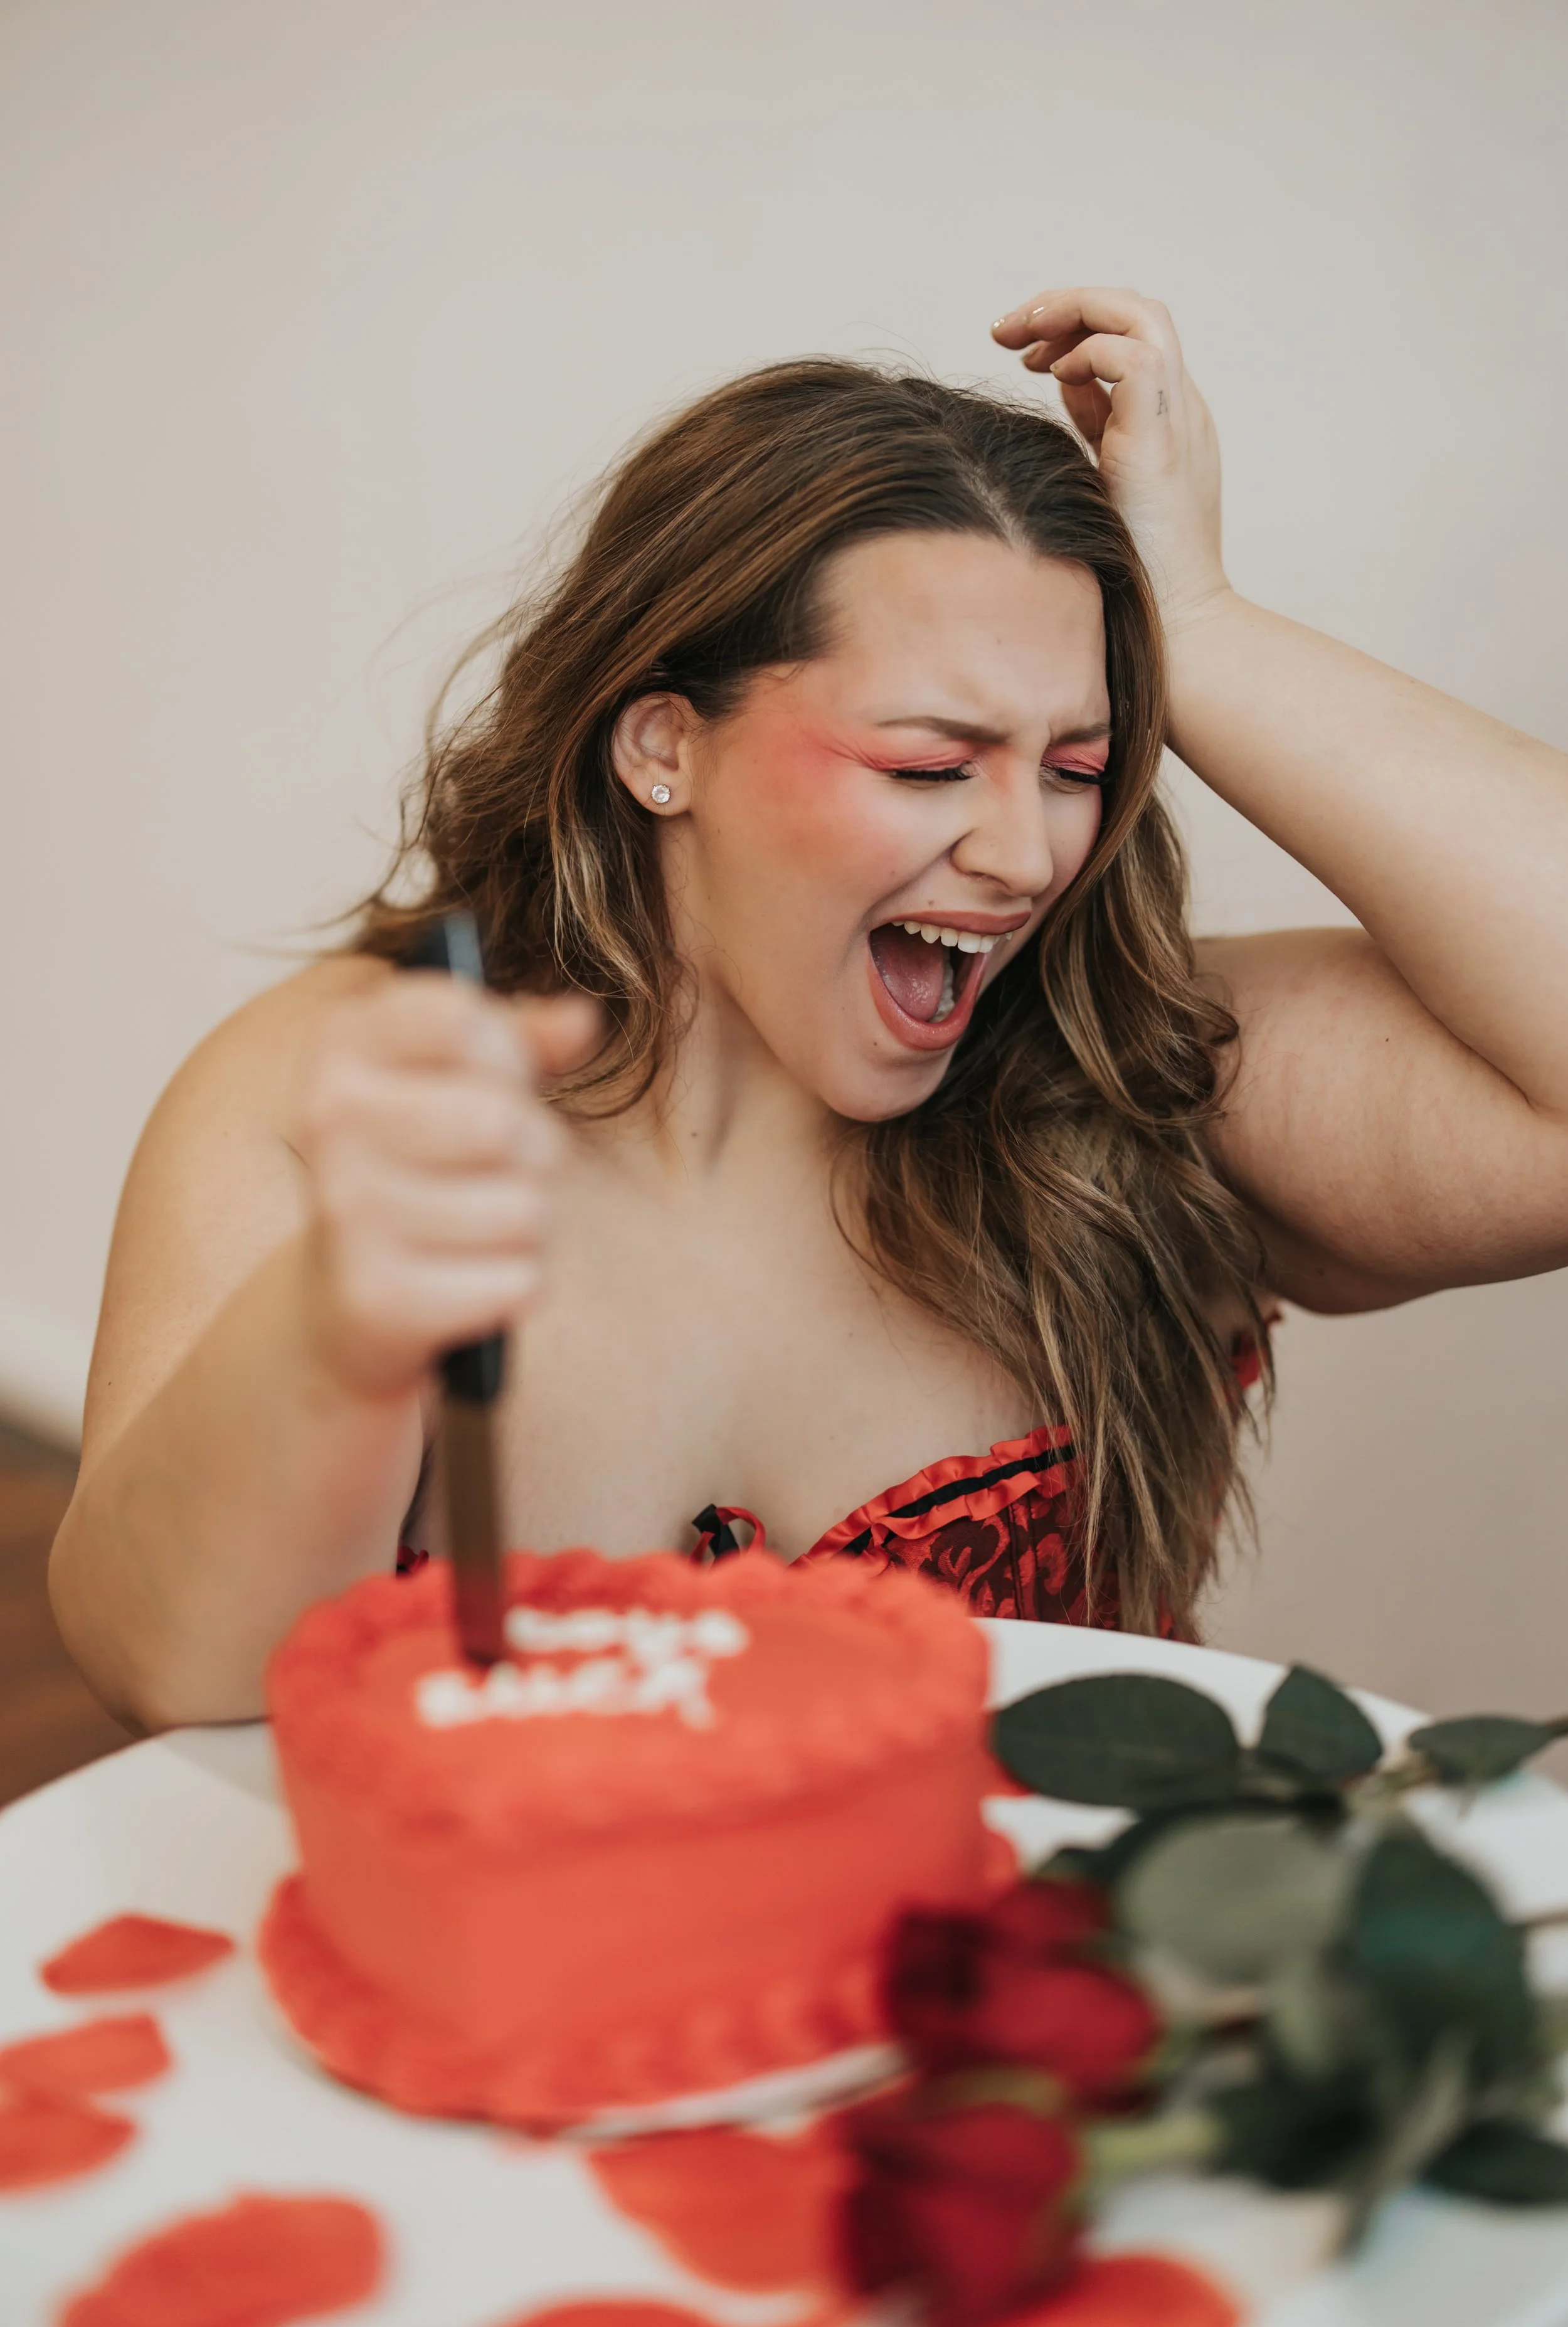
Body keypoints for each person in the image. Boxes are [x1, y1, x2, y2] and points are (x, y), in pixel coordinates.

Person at [50, 289, 1568, 1729]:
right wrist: (340, 1327)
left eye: (1076, 768)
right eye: (925, 765)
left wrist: (1204, 621)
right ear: (662, 747)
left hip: (1039, 1995)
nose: (1024, 850)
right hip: (539, 1999)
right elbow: (170, 1670)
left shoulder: (1148, 1082)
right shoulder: (354, 1095)